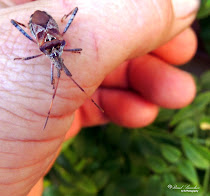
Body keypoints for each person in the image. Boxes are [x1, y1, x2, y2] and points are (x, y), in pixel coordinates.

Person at [0, 0, 199, 195]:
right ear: (43, 49)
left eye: (58, 46)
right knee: (56, 79)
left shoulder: (55, 48)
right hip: (42, 24)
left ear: (60, 42)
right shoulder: (51, 50)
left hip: (41, 26)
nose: (55, 54)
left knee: (63, 73)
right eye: (49, 50)